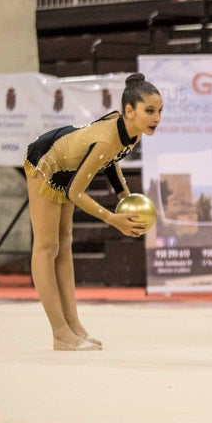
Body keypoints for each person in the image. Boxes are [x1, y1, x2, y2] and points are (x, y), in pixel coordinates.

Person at [24, 73, 161, 350]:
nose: (156, 117)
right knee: (47, 246)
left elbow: (111, 162)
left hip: (68, 167)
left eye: (159, 111)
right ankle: (60, 333)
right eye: (150, 111)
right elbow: (77, 191)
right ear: (129, 111)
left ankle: (74, 326)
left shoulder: (130, 132)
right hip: (45, 161)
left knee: (64, 244)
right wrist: (113, 219)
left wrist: (125, 195)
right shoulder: (107, 140)